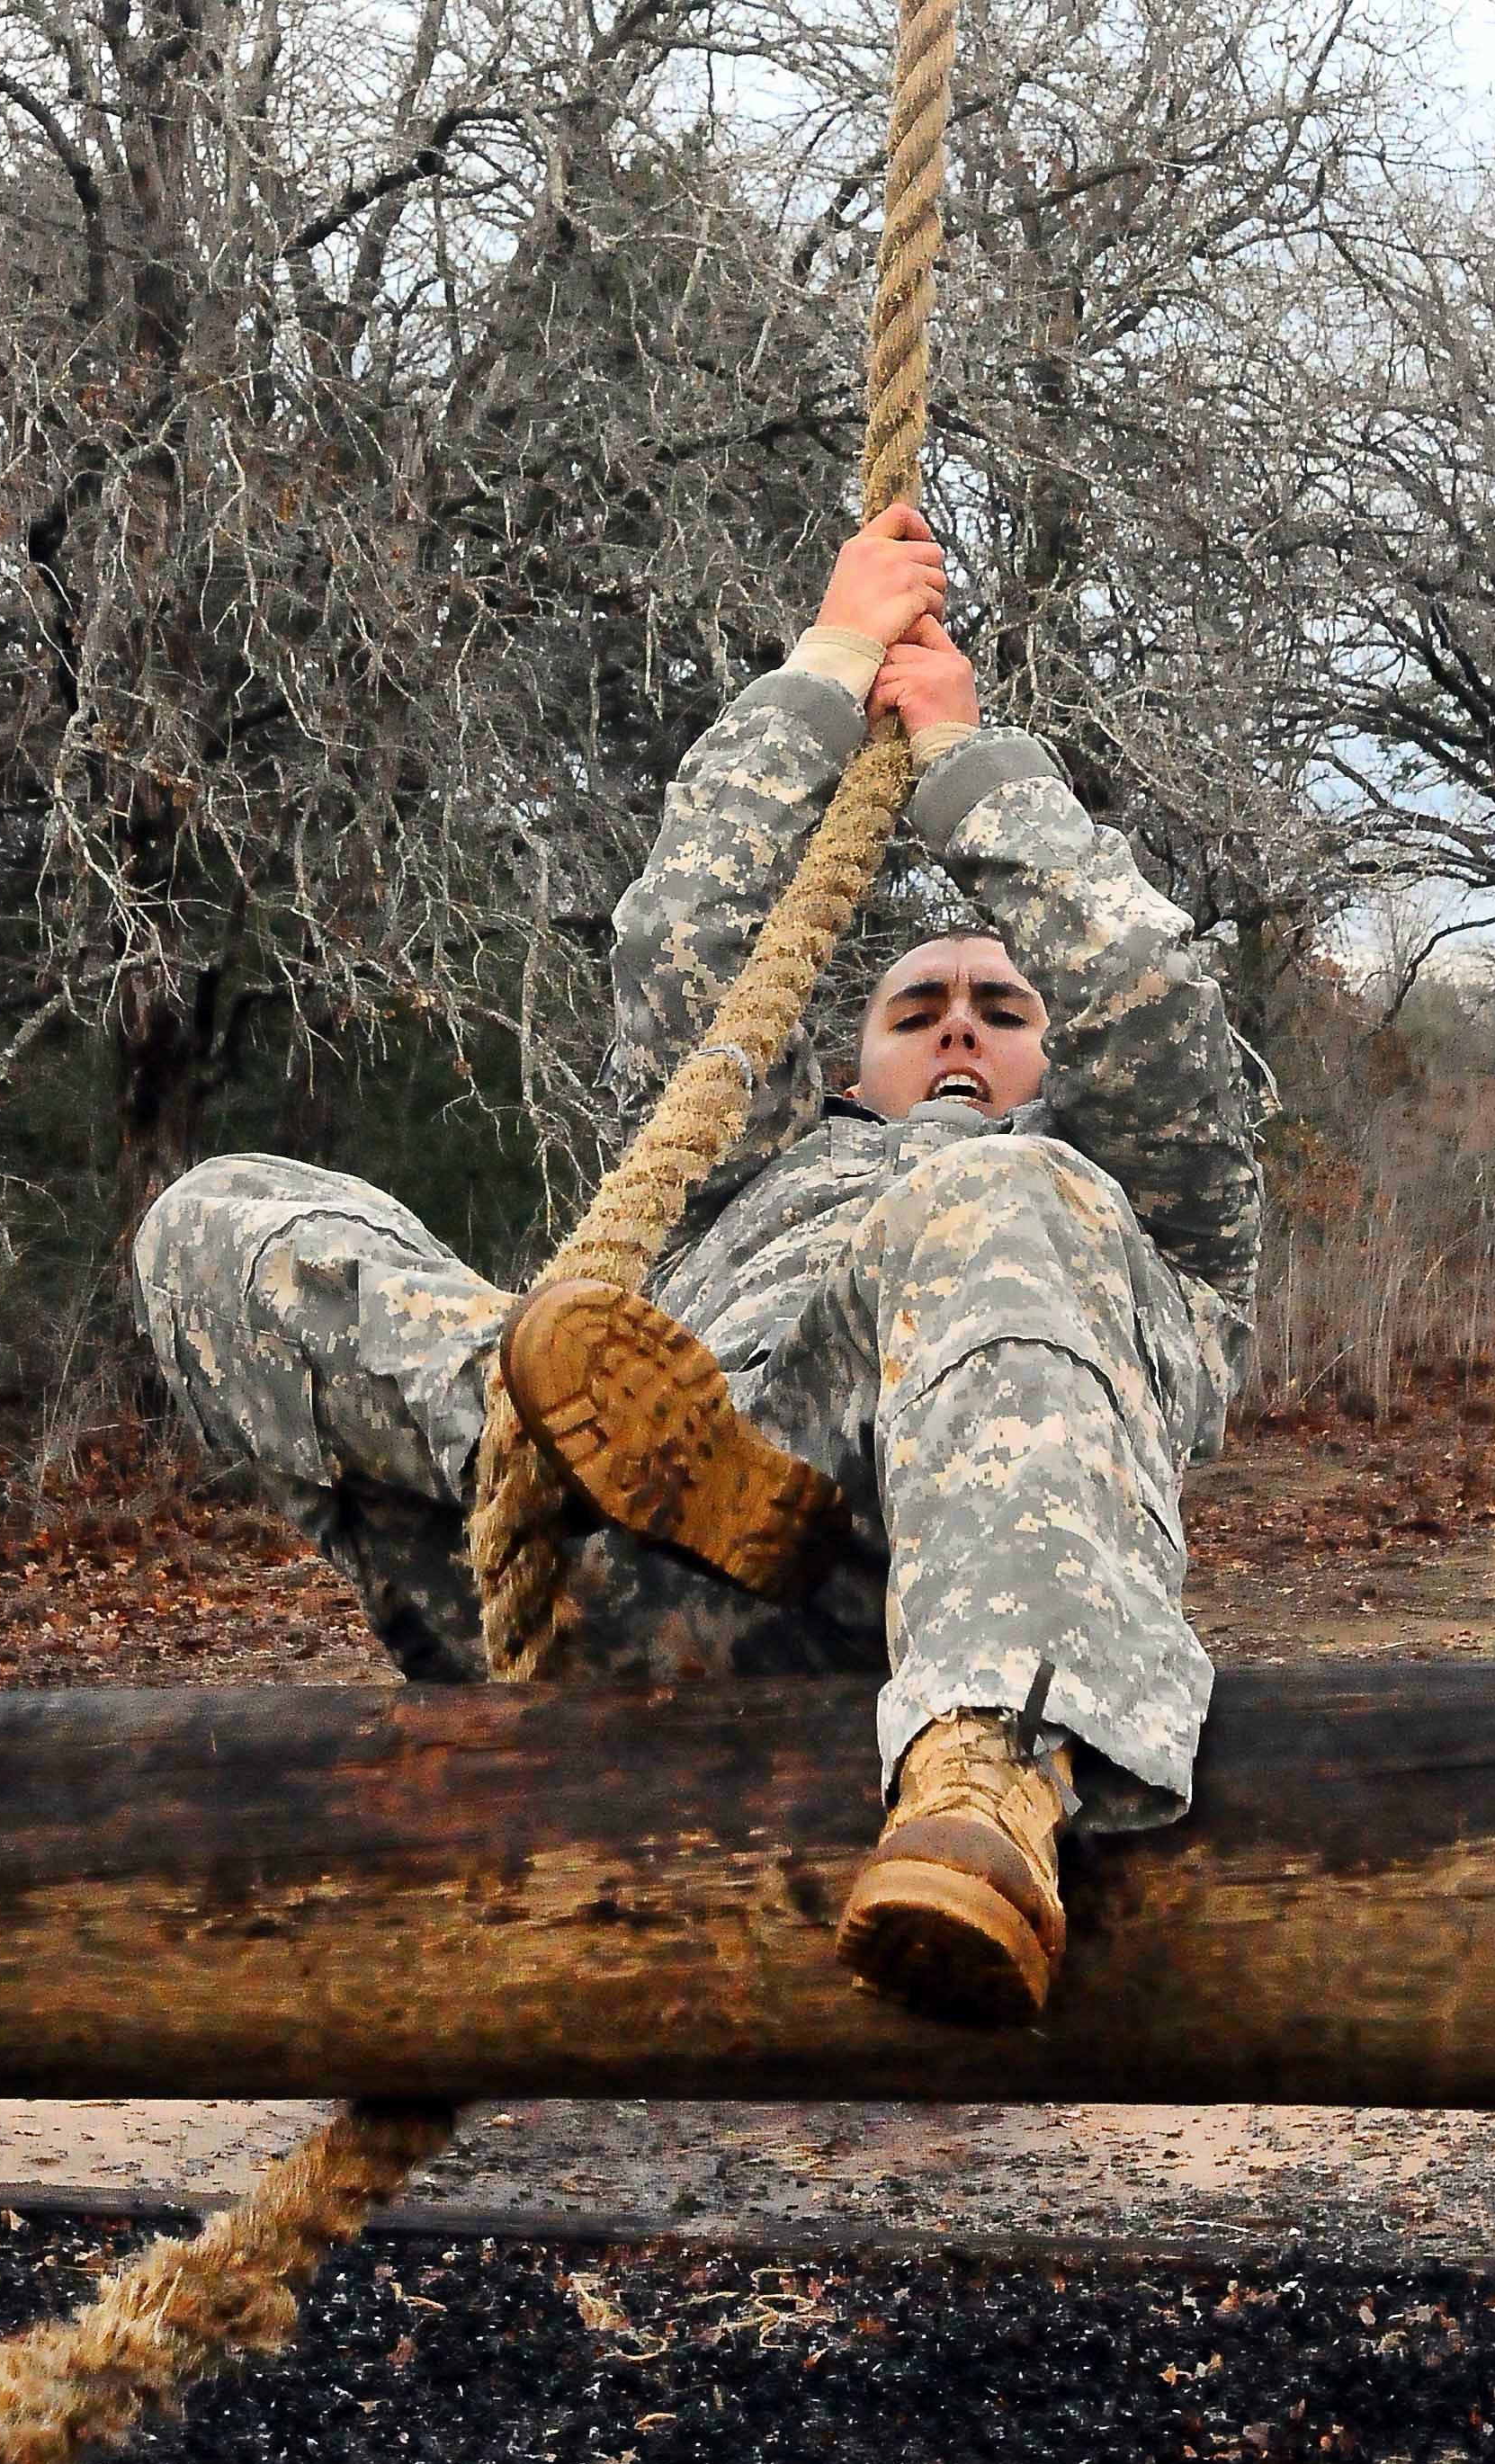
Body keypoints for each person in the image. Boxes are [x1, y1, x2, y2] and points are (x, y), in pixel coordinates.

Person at [133, 504, 1265, 2026]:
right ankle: (566, 1437)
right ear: (848, 1063)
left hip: (911, 1598)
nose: (955, 1023)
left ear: (1054, 1052)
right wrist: (823, 665)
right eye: (916, 1002)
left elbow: (1147, 998)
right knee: (219, 1221)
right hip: (605, 1578)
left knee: (1004, 1200)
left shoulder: (1148, 1221)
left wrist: (971, 768)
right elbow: (686, 936)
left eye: (1001, 1007)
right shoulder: (756, 1164)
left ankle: (988, 1779)